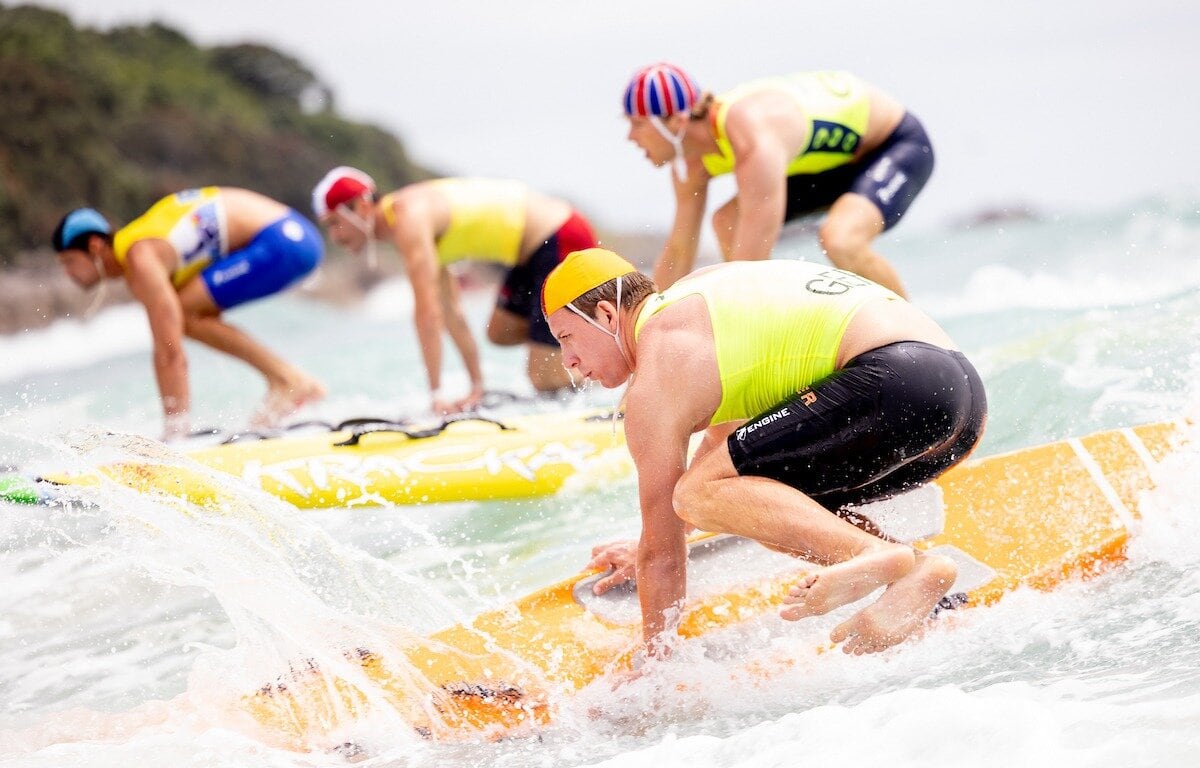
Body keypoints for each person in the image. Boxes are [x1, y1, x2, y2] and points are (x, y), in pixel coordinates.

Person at [543, 248, 986, 659]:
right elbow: (734, 461)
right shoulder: (698, 303)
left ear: (605, 313)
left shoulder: (661, 364)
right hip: (959, 402)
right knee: (760, 507)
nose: (568, 362)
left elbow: (665, 550)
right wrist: (652, 540)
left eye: (567, 337)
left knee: (695, 494)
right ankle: (917, 574)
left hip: (893, 381)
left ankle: (879, 559)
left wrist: (653, 671)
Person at [622, 63, 934, 297]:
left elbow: (749, 270)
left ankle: (918, 344)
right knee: (727, 222)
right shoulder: (689, 164)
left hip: (893, 145)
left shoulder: (753, 137)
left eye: (637, 124)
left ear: (676, 121)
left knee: (840, 239)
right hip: (826, 162)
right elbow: (678, 251)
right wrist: (646, 332)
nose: (630, 137)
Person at [312, 167, 598, 413]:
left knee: (542, 376)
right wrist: (476, 387)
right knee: (500, 333)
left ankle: (600, 385)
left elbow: (428, 314)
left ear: (362, 206)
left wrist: (435, 396)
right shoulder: (412, 223)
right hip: (533, 253)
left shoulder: (409, 218)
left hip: (560, 235)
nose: (334, 237)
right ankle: (573, 360)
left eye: (335, 223)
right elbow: (451, 312)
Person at [52, 188, 326, 441]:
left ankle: (290, 382)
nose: (67, 273)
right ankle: (288, 383)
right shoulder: (142, 245)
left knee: (180, 317)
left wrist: (173, 440)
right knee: (189, 315)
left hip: (283, 241)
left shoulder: (140, 258)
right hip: (293, 235)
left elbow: (169, 354)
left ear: (95, 247)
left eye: (69, 261)